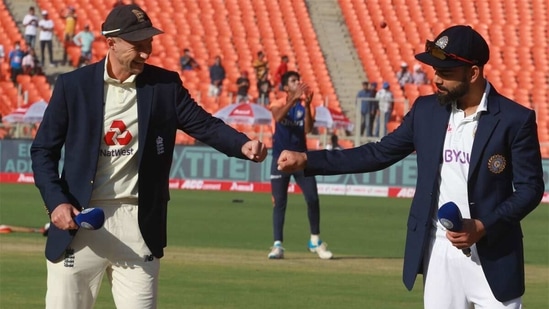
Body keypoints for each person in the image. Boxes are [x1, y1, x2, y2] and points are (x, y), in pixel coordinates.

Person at [276, 25, 544, 308]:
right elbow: (378, 153)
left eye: (446, 73)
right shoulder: (425, 111)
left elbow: (530, 189)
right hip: (438, 251)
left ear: (474, 72)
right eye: (434, 70)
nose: (436, 79)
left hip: (495, 256)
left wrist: (482, 225)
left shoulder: (516, 119)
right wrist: (308, 159)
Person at [30, 5, 267, 309]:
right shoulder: (72, 86)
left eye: (149, 44)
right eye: (137, 46)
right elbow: (42, 151)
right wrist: (56, 201)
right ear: (111, 42)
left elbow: (204, 124)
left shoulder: (165, 86)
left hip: (139, 226)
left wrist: (243, 145)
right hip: (79, 222)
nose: (146, 53)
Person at [267, 70, 333, 260]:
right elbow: (278, 117)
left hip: (301, 159)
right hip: (280, 160)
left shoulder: (304, 106)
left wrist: (308, 104)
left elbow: (308, 129)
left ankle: (315, 240)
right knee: (279, 203)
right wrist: (293, 100)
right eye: (294, 81)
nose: (298, 83)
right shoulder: (278, 102)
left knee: (312, 198)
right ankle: (277, 245)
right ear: (286, 87)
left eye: (299, 80)